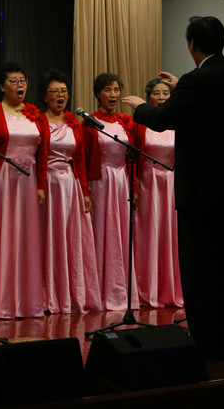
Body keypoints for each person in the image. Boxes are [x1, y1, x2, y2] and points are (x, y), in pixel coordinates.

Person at [122, 16, 224, 360]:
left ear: (192, 44)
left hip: (200, 191)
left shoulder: (197, 80)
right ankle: (220, 343)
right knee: (220, 271)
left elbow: (163, 119)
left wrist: (140, 107)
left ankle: (203, 343)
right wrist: (182, 88)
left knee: (197, 271)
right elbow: (208, 110)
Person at [0, 61, 48, 319]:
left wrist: (41, 185)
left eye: (23, 81)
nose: (20, 86)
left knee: (26, 238)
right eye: (14, 81)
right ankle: (2, 302)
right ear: (2, 86)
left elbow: (43, 152)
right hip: (2, 180)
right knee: (3, 235)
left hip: (28, 184)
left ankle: (27, 300)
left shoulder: (35, 114)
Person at [39, 69, 102, 314]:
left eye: (64, 91)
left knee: (71, 239)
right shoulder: (38, 121)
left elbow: (81, 160)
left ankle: (71, 292)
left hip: (71, 185)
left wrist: (85, 191)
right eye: (55, 91)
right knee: (49, 237)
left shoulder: (74, 124)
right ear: (45, 96)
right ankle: (49, 293)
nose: (61, 95)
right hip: (48, 185)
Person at [83, 73, 139, 311]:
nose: (113, 94)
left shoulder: (126, 122)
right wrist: (85, 190)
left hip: (121, 182)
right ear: (98, 94)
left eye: (116, 89)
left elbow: (132, 158)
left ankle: (121, 290)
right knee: (100, 234)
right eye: (108, 90)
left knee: (121, 234)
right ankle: (98, 291)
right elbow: (85, 157)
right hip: (100, 182)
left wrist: (133, 185)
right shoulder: (90, 123)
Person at [132, 78, 183, 308]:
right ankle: (146, 289)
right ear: (147, 98)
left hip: (171, 184)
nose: (162, 98)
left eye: (166, 94)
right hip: (148, 183)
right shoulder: (140, 124)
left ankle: (171, 288)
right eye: (157, 93)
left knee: (170, 234)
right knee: (148, 233)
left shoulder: (179, 125)